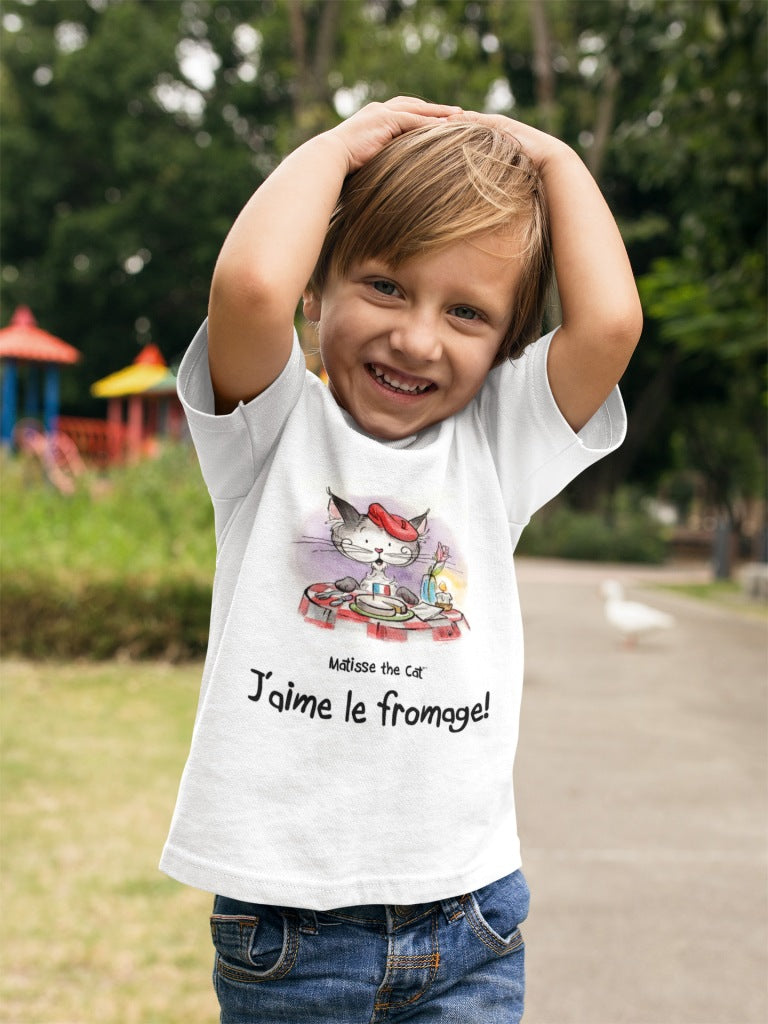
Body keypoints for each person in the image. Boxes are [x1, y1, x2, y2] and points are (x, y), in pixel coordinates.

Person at [161, 96, 642, 1022]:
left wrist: (552, 159)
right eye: (385, 285)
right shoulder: (268, 429)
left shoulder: (500, 445)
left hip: (473, 921)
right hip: (296, 938)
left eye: (466, 312)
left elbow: (611, 324)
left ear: (505, 347)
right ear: (319, 290)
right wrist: (340, 147)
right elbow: (251, 288)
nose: (417, 338)